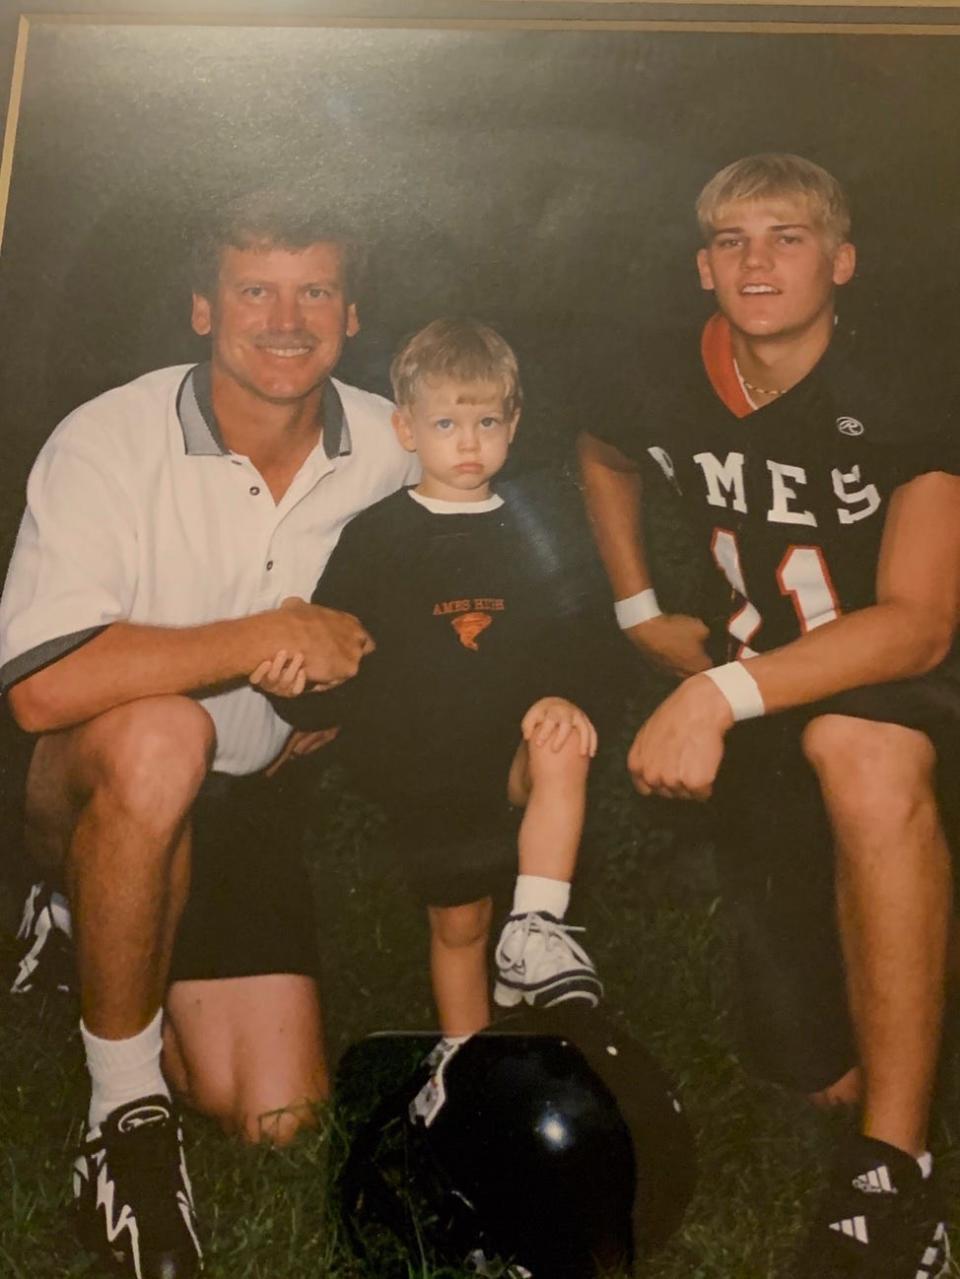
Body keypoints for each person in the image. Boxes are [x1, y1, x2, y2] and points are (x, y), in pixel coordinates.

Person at [0, 192, 419, 1279]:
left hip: (255, 796)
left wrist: (355, 699)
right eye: (255, 291)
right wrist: (263, 637)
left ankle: (121, 946)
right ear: (202, 309)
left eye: (314, 289)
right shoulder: (107, 438)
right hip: (100, 774)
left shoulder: (392, 441)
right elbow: (42, 689)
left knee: (279, 1116)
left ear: (351, 310)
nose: (286, 318)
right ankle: (124, 1116)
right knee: (161, 734)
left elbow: (464, 585)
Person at [578, 154, 960, 1278]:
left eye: (787, 236)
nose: (758, 261)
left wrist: (711, 690)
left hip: (895, 685)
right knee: (810, 1072)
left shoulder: (905, 385)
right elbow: (603, 452)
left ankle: (896, 1176)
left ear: (841, 262)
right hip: (763, 697)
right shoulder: (659, 375)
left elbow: (921, 625)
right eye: (733, 240)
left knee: (863, 753)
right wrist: (639, 605)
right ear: (703, 267)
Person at [253, 317, 603, 1037]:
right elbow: (340, 661)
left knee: (565, 741)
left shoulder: (540, 525)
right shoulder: (378, 536)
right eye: (446, 422)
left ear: (514, 423)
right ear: (406, 428)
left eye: (485, 421)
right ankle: (464, 1059)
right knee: (460, 923)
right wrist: (296, 691)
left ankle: (536, 927)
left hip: (512, 757)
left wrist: (569, 692)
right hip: (425, 774)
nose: (468, 442)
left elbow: (577, 634)